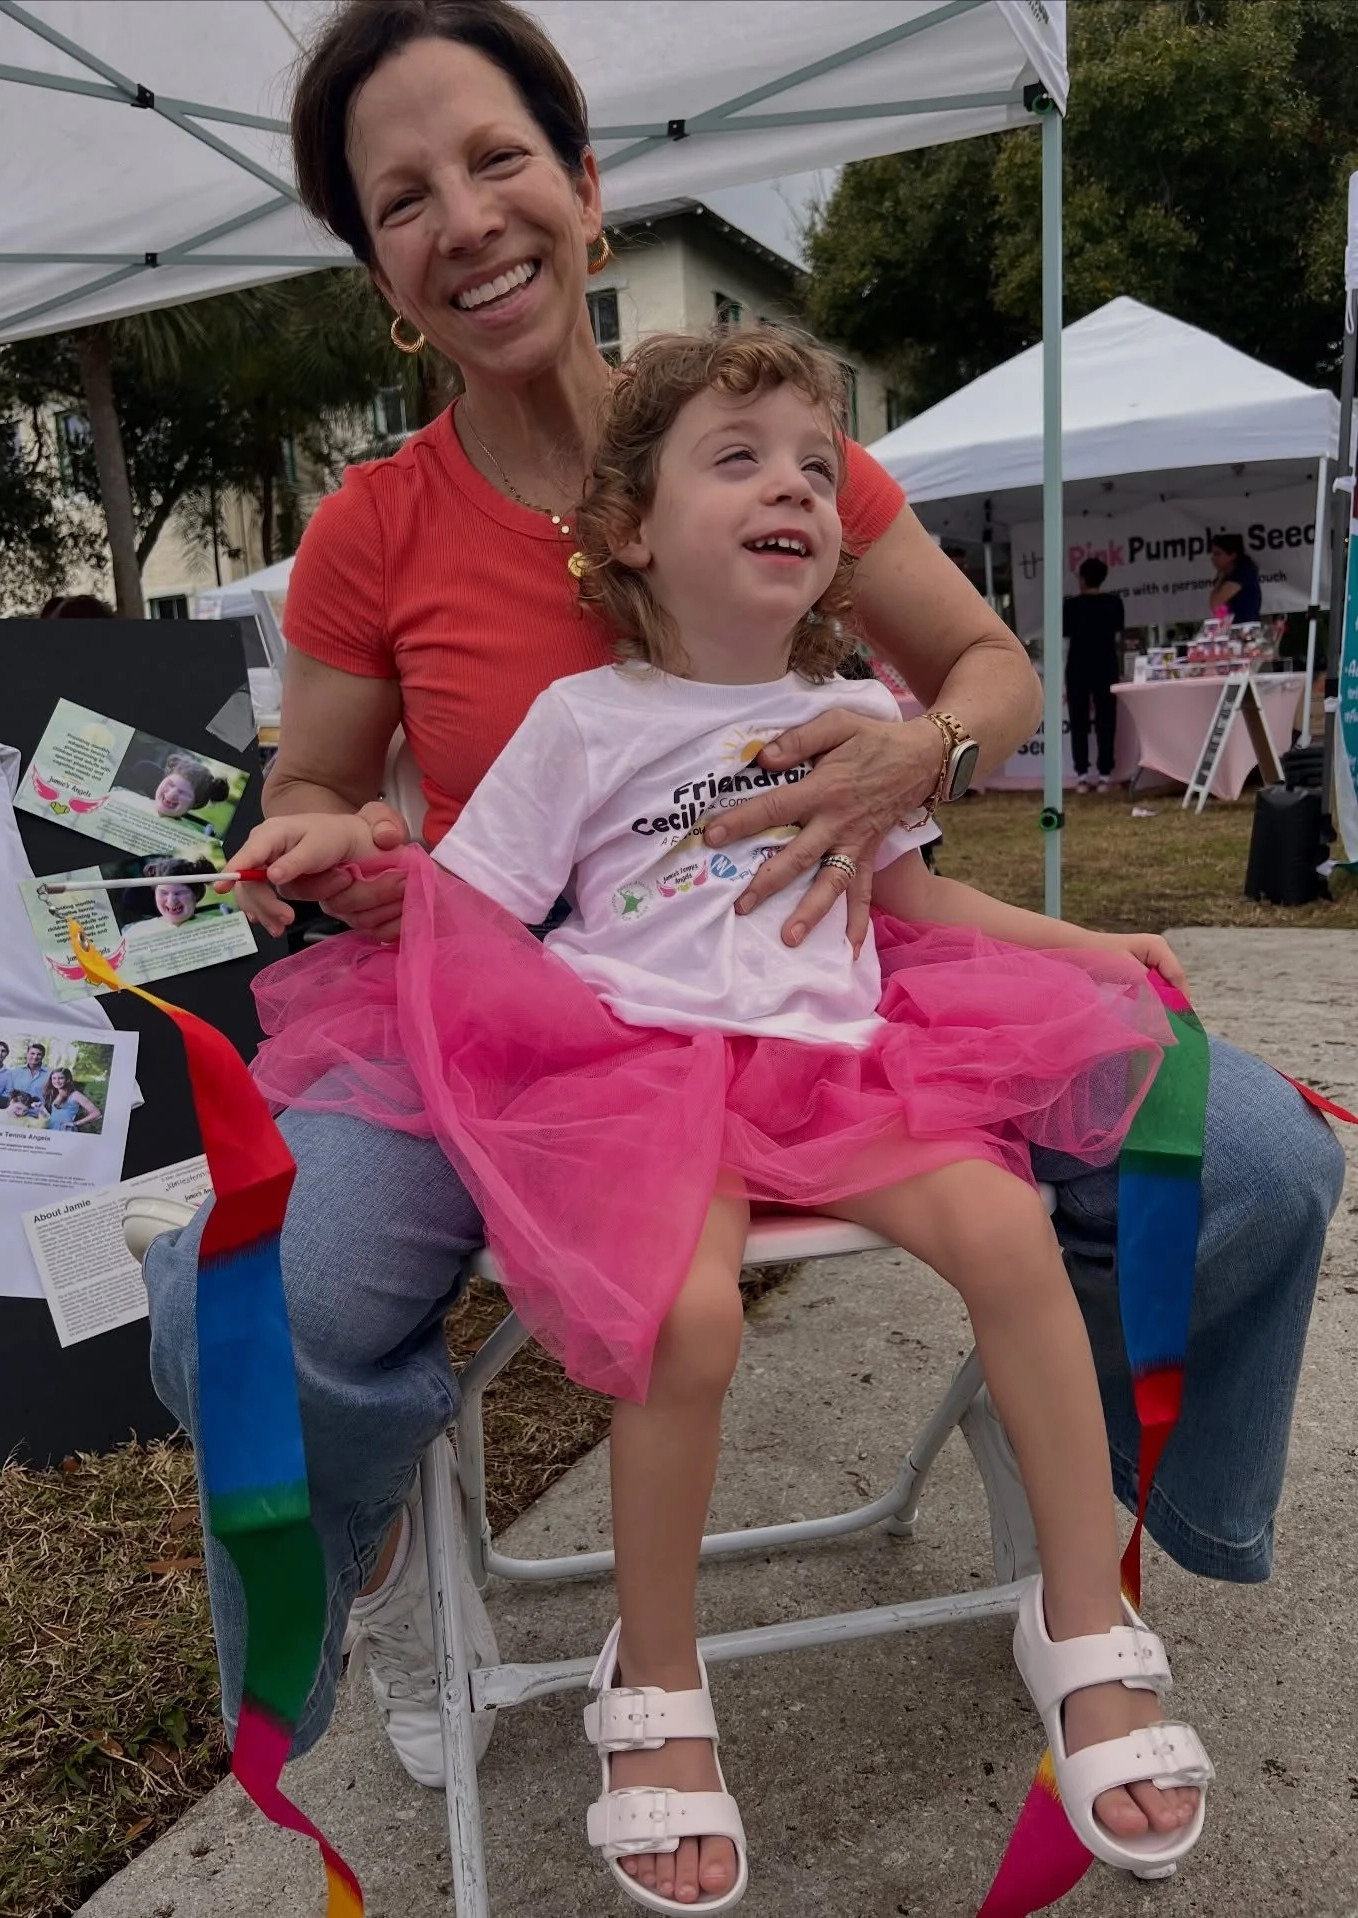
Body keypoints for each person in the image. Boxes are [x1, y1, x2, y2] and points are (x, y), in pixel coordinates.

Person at [128, 0, 1344, 1842]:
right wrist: (319, 834)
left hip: (837, 942)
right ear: (376, 261)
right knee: (250, 1288)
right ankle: (370, 1570)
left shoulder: (757, 438)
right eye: (402, 196)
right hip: (512, 989)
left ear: (588, 185)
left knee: (1249, 1156)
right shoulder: (378, 517)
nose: (464, 216)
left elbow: (993, 667)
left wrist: (908, 753)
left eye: (497, 157)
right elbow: (316, 781)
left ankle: (1085, 1544)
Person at [228, 328, 1214, 1906]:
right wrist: (366, 852)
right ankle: (662, 1681)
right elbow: (474, 907)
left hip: (840, 1059)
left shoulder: (853, 702)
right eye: (740, 458)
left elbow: (914, 896)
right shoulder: (582, 720)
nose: (797, 488)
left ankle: (1083, 1614)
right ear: (631, 529)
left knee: (1011, 1228)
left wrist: (1088, 950)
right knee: (682, 1318)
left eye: (818, 468)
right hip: (636, 1064)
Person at [1063, 556, 1125, 794]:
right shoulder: (1114, 603)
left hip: (1078, 666)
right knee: (1106, 720)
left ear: (1082, 578)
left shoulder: (1071, 605)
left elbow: (1065, 634)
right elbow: (1118, 635)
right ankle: (1105, 774)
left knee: (1078, 720)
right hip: (1105, 665)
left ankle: (1081, 774)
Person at [1208, 533, 1262, 624]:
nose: (1213, 558)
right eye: (1213, 554)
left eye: (1218, 554)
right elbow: (1217, 610)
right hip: (1231, 628)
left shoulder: (1243, 572)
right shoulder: (1225, 575)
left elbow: (1216, 603)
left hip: (1245, 628)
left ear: (1232, 555)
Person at [41, 1067, 101, 1132]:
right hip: (51, 1128)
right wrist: (40, 1109)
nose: (57, 1081)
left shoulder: (75, 1095)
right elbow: (53, 1115)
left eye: (61, 1078)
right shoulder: (54, 1094)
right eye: (54, 1078)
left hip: (65, 1129)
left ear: (68, 1079)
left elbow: (96, 1113)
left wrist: (75, 1123)